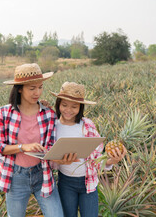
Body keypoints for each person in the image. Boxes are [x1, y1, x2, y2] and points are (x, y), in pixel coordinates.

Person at [0, 63, 65, 217]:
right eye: (32, 88)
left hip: (42, 174)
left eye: (40, 87)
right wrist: (23, 147)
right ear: (20, 88)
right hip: (15, 177)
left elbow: (51, 146)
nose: (37, 92)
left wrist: (60, 158)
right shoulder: (4, 113)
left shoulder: (49, 114)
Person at [49, 82, 126, 217]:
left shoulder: (87, 125)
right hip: (65, 182)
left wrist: (111, 161)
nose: (68, 110)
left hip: (88, 181)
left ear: (81, 107)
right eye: (64, 105)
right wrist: (59, 161)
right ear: (58, 104)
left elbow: (96, 157)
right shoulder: (53, 127)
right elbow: (50, 159)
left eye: (74, 106)